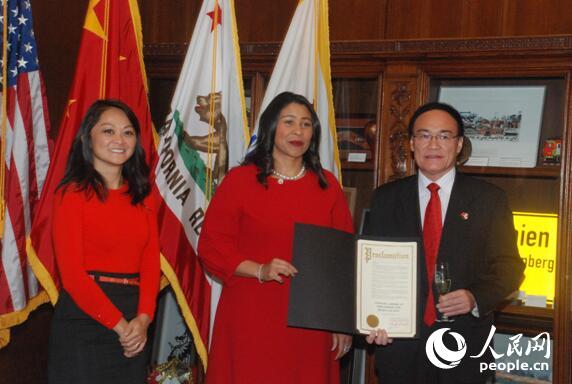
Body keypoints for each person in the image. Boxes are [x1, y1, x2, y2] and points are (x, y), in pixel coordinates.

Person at [198, 92, 354, 383]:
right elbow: (211, 246)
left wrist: (342, 322)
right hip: (251, 313)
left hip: (312, 322)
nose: (298, 131)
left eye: (306, 124)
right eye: (290, 122)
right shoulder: (241, 180)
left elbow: (343, 258)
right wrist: (259, 269)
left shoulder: (327, 185)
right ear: (271, 127)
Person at [365, 102, 524, 383]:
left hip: (464, 345)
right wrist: (371, 318)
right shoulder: (386, 198)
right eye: (424, 135)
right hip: (399, 347)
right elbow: (370, 269)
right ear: (413, 144)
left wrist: (475, 296)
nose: (433, 144)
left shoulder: (489, 199)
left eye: (444, 136)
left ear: (459, 144)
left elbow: (510, 267)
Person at [48, 99, 160, 384]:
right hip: (83, 321)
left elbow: (150, 264)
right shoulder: (71, 195)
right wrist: (121, 326)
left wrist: (144, 320)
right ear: (88, 137)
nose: (119, 140)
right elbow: (72, 276)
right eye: (108, 131)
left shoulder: (143, 197)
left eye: (128, 132)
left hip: (134, 321)